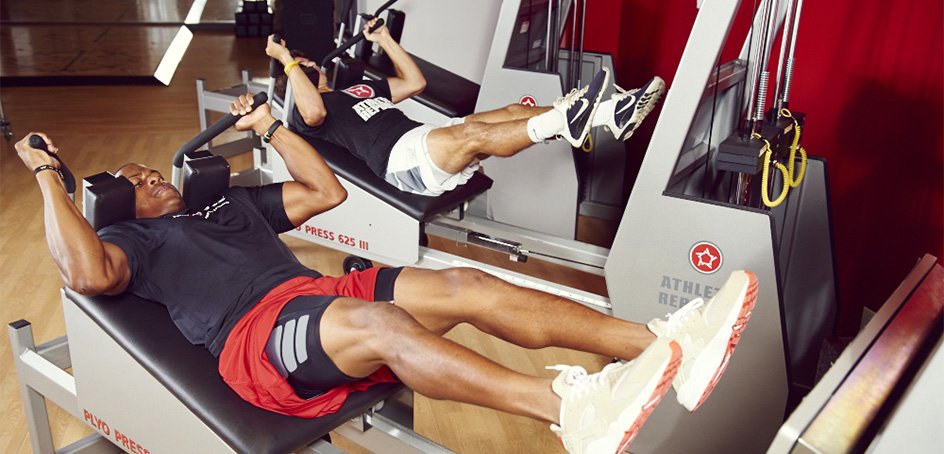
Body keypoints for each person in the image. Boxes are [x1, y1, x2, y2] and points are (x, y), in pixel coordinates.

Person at [15, 93, 756, 454]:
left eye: (148, 170)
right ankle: (568, 410)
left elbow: (326, 193)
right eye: (133, 179)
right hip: (257, 341)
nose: (147, 174)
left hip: (314, 298)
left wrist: (273, 128)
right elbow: (83, 273)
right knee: (381, 323)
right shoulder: (128, 242)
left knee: (466, 288)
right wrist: (51, 175)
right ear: (117, 204)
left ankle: (656, 344)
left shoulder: (229, 207)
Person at [267, 24, 666, 196]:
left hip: (423, 138)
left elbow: (415, 83)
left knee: (508, 111)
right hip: (402, 161)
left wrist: (386, 39)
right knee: (475, 135)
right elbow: (315, 112)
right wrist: (285, 60)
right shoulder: (306, 114)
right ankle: (569, 120)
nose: (311, 65)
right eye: (302, 66)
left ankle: (610, 113)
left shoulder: (356, 89)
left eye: (308, 61)